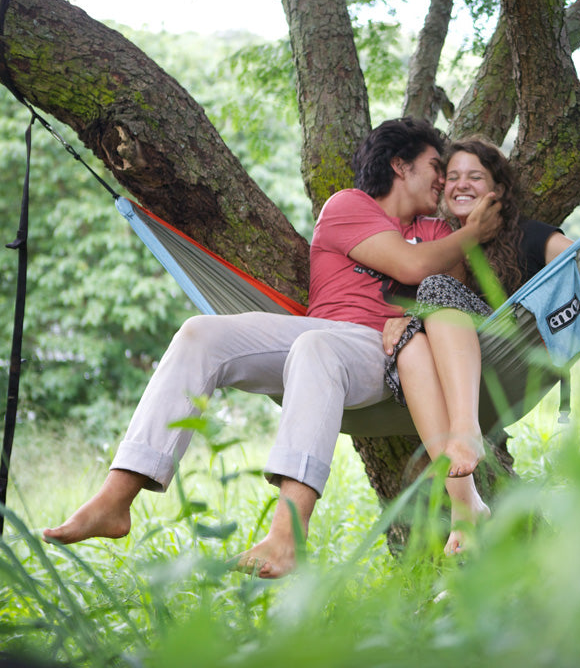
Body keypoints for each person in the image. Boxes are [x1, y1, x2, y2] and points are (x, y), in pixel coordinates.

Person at [43, 118, 503, 578]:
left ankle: (287, 537)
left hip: (378, 354)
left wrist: (455, 252)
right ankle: (116, 497)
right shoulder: (350, 206)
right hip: (318, 331)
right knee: (201, 332)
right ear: (400, 165)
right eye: (435, 165)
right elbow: (411, 264)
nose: (443, 178)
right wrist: (474, 232)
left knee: (314, 346)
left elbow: (447, 301)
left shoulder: (441, 233)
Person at [381, 137, 580, 554]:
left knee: (435, 287)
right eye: (454, 177)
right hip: (450, 370)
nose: (461, 184)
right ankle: (466, 510)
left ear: (496, 189)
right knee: (412, 331)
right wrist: (401, 323)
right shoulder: (442, 245)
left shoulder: (528, 237)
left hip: (508, 356)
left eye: (475, 176)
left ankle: (466, 433)